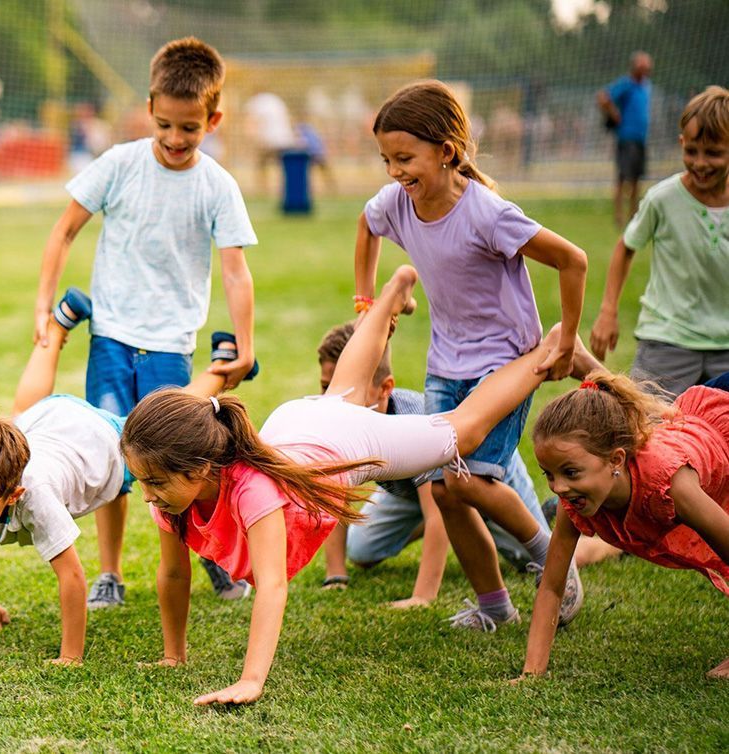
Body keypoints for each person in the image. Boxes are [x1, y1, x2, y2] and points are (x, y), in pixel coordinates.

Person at [121, 265, 572, 705]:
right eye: (142, 481)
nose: (147, 494)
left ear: (199, 467)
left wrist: (251, 680)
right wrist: (172, 656)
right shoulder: (169, 499)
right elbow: (174, 574)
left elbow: (273, 585)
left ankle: (542, 354)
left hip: (340, 445)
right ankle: (395, 290)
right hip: (297, 425)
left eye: (155, 481)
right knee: (346, 390)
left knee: (464, 431)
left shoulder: (251, 490)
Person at [32, 37, 258, 608]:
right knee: (111, 454)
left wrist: (246, 344)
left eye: (190, 128)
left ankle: (203, 556)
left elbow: (235, 272)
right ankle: (110, 573)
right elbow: (62, 231)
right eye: (165, 125)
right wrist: (43, 306)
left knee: (179, 459)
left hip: (169, 347)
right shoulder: (119, 164)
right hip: (110, 338)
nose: (176, 139)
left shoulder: (217, 186)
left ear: (214, 117)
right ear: (150, 106)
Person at [355, 80, 588, 632]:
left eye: (405, 158)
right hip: (446, 365)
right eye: (386, 159)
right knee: (443, 489)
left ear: (447, 151)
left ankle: (552, 560)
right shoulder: (397, 203)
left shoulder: (487, 213)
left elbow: (573, 260)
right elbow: (366, 226)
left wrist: (567, 340)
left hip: (506, 362)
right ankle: (494, 607)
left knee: (464, 482)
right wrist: (367, 299)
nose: (394, 172)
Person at [0, 289, 251, 665]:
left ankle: (223, 365)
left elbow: (71, 576)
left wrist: (70, 657)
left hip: (97, 441)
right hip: (46, 424)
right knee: (20, 412)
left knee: (161, 427)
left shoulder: (37, 494)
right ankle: (59, 323)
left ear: (13, 494)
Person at [315, 321, 552, 600]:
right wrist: (336, 574)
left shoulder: (413, 423)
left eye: (346, 389)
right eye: (326, 387)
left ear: (385, 388)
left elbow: (438, 511)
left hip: (479, 475)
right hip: (413, 494)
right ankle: (461, 522)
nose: (332, 399)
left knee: (531, 559)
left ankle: (605, 545)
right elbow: (334, 494)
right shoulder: (336, 423)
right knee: (361, 551)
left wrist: (422, 597)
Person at [519, 370, 729, 681]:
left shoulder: (671, 486)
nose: (558, 488)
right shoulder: (573, 501)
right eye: (548, 474)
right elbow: (551, 587)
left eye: (571, 472)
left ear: (616, 460)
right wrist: (531, 674)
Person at [590, 86, 729, 396]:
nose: (701, 163)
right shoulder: (662, 199)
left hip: (726, 345)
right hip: (668, 340)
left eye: (714, 153)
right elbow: (626, 247)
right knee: (649, 428)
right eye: (692, 151)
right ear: (682, 143)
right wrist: (608, 311)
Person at [597, 52, 653, 227]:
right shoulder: (626, 84)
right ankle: (619, 216)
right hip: (626, 138)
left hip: (641, 139)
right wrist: (615, 115)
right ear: (634, 68)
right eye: (642, 67)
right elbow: (603, 97)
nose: (645, 71)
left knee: (636, 179)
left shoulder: (646, 86)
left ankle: (633, 216)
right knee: (622, 179)